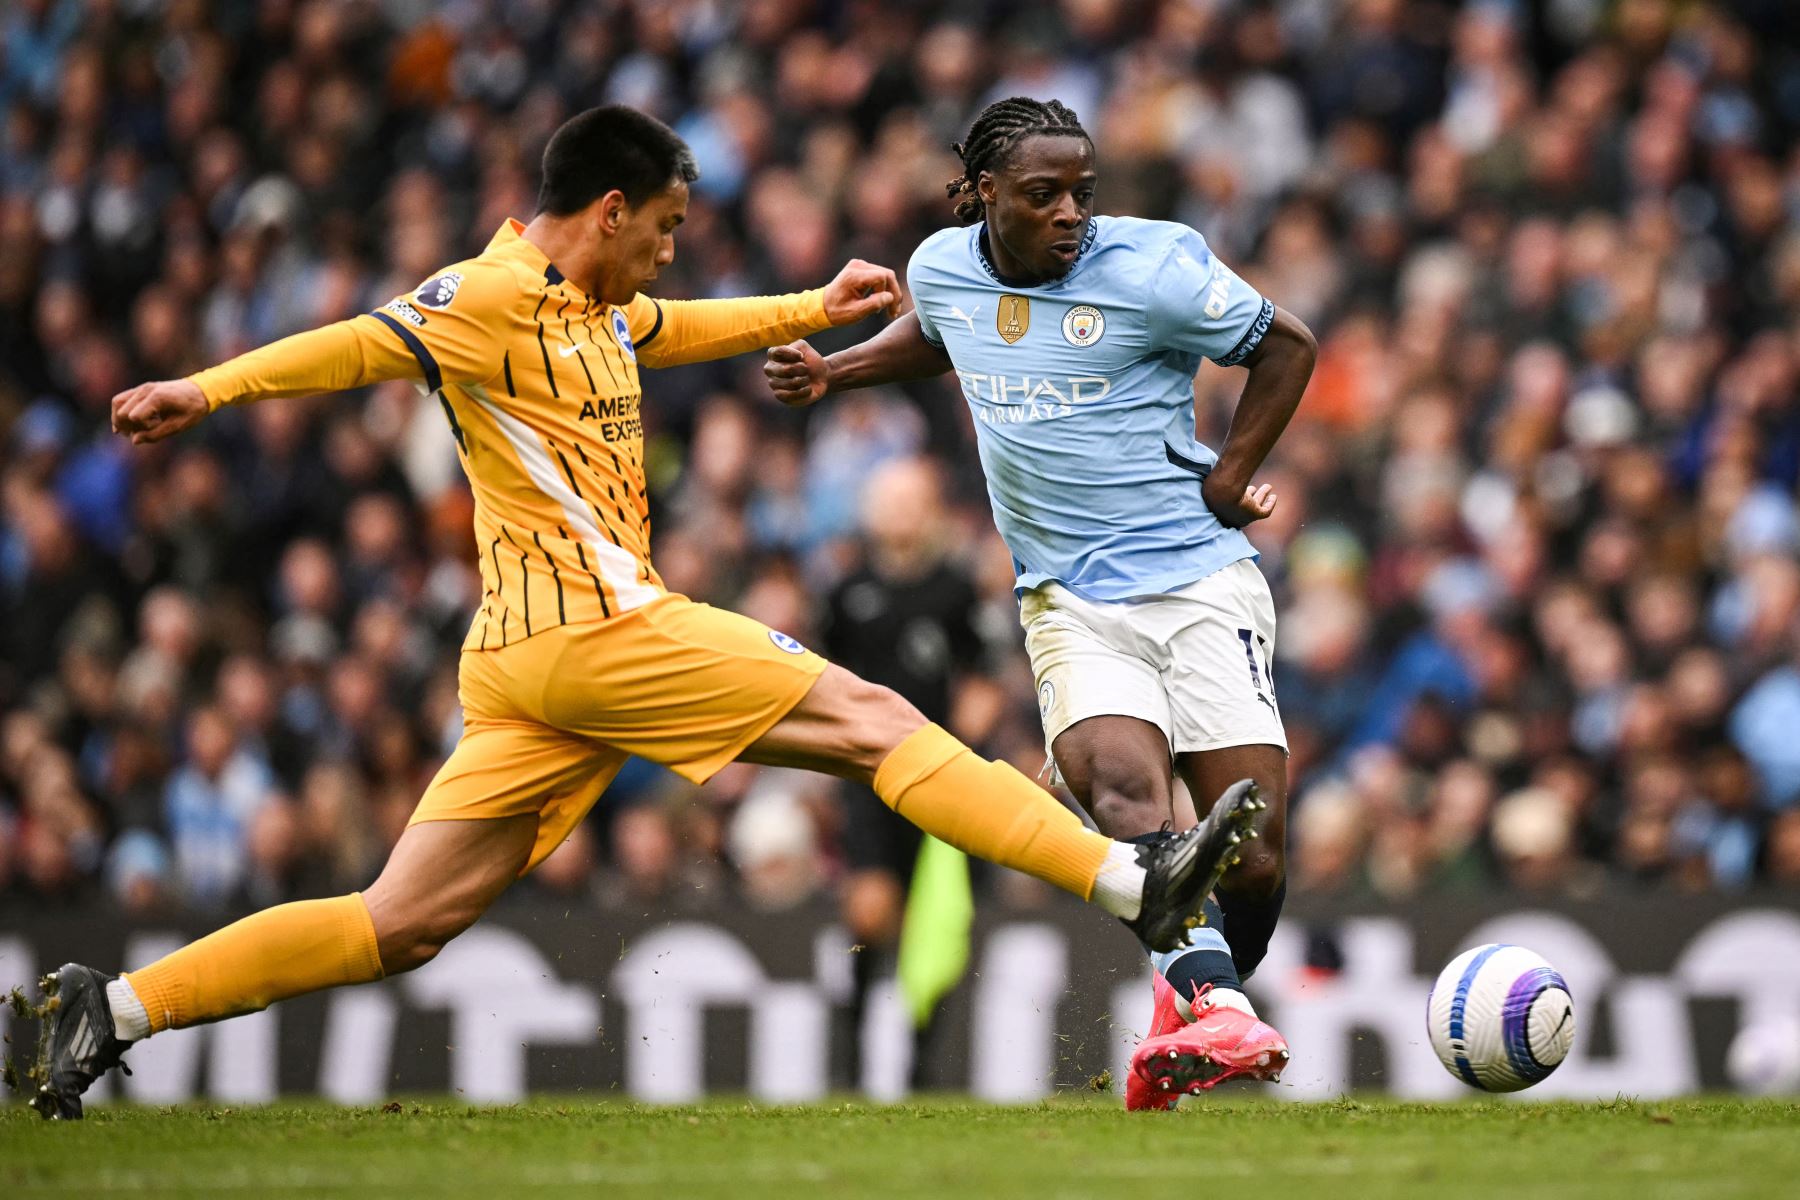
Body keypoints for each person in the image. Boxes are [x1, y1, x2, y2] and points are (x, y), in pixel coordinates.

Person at [29, 104, 1258, 1120]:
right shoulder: (482, 297)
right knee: (877, 721)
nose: (669, 252)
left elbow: (669, 329)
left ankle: (117, 1006)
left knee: (398, 924)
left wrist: (809, 311)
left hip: (523, 669)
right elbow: (357, 346)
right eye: (665, 227)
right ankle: (1130, 884)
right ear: (609, 211)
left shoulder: (595, 307)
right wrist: (208, 384)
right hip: (599, 628)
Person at [765, 97, 1317, 1107]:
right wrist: (832, 373)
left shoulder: (1154, 267)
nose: (1070, 214)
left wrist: (1232, 474)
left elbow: (1287, 344)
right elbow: (941, 337)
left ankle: (1190, 1002)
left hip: (1199, 580)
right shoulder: (941, 266)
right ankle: (1218, 1009)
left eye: (1081, 194)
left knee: (1256, 854)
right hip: (1067, 599)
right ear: (982, 196)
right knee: (1121, 795)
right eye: (1043, 195)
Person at [823, 456, 994, 1086]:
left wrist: (960, 744)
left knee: (935, 928)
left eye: (911, 500)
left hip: (939, 780)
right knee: (869, 913)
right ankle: (856, 1063)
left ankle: (920, 1066)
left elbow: (981, 681)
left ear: (931, 510)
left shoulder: (954, 588)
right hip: (870, 779)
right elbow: (825, 679)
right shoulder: (846, 592)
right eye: (889, 500)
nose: (899, 512)